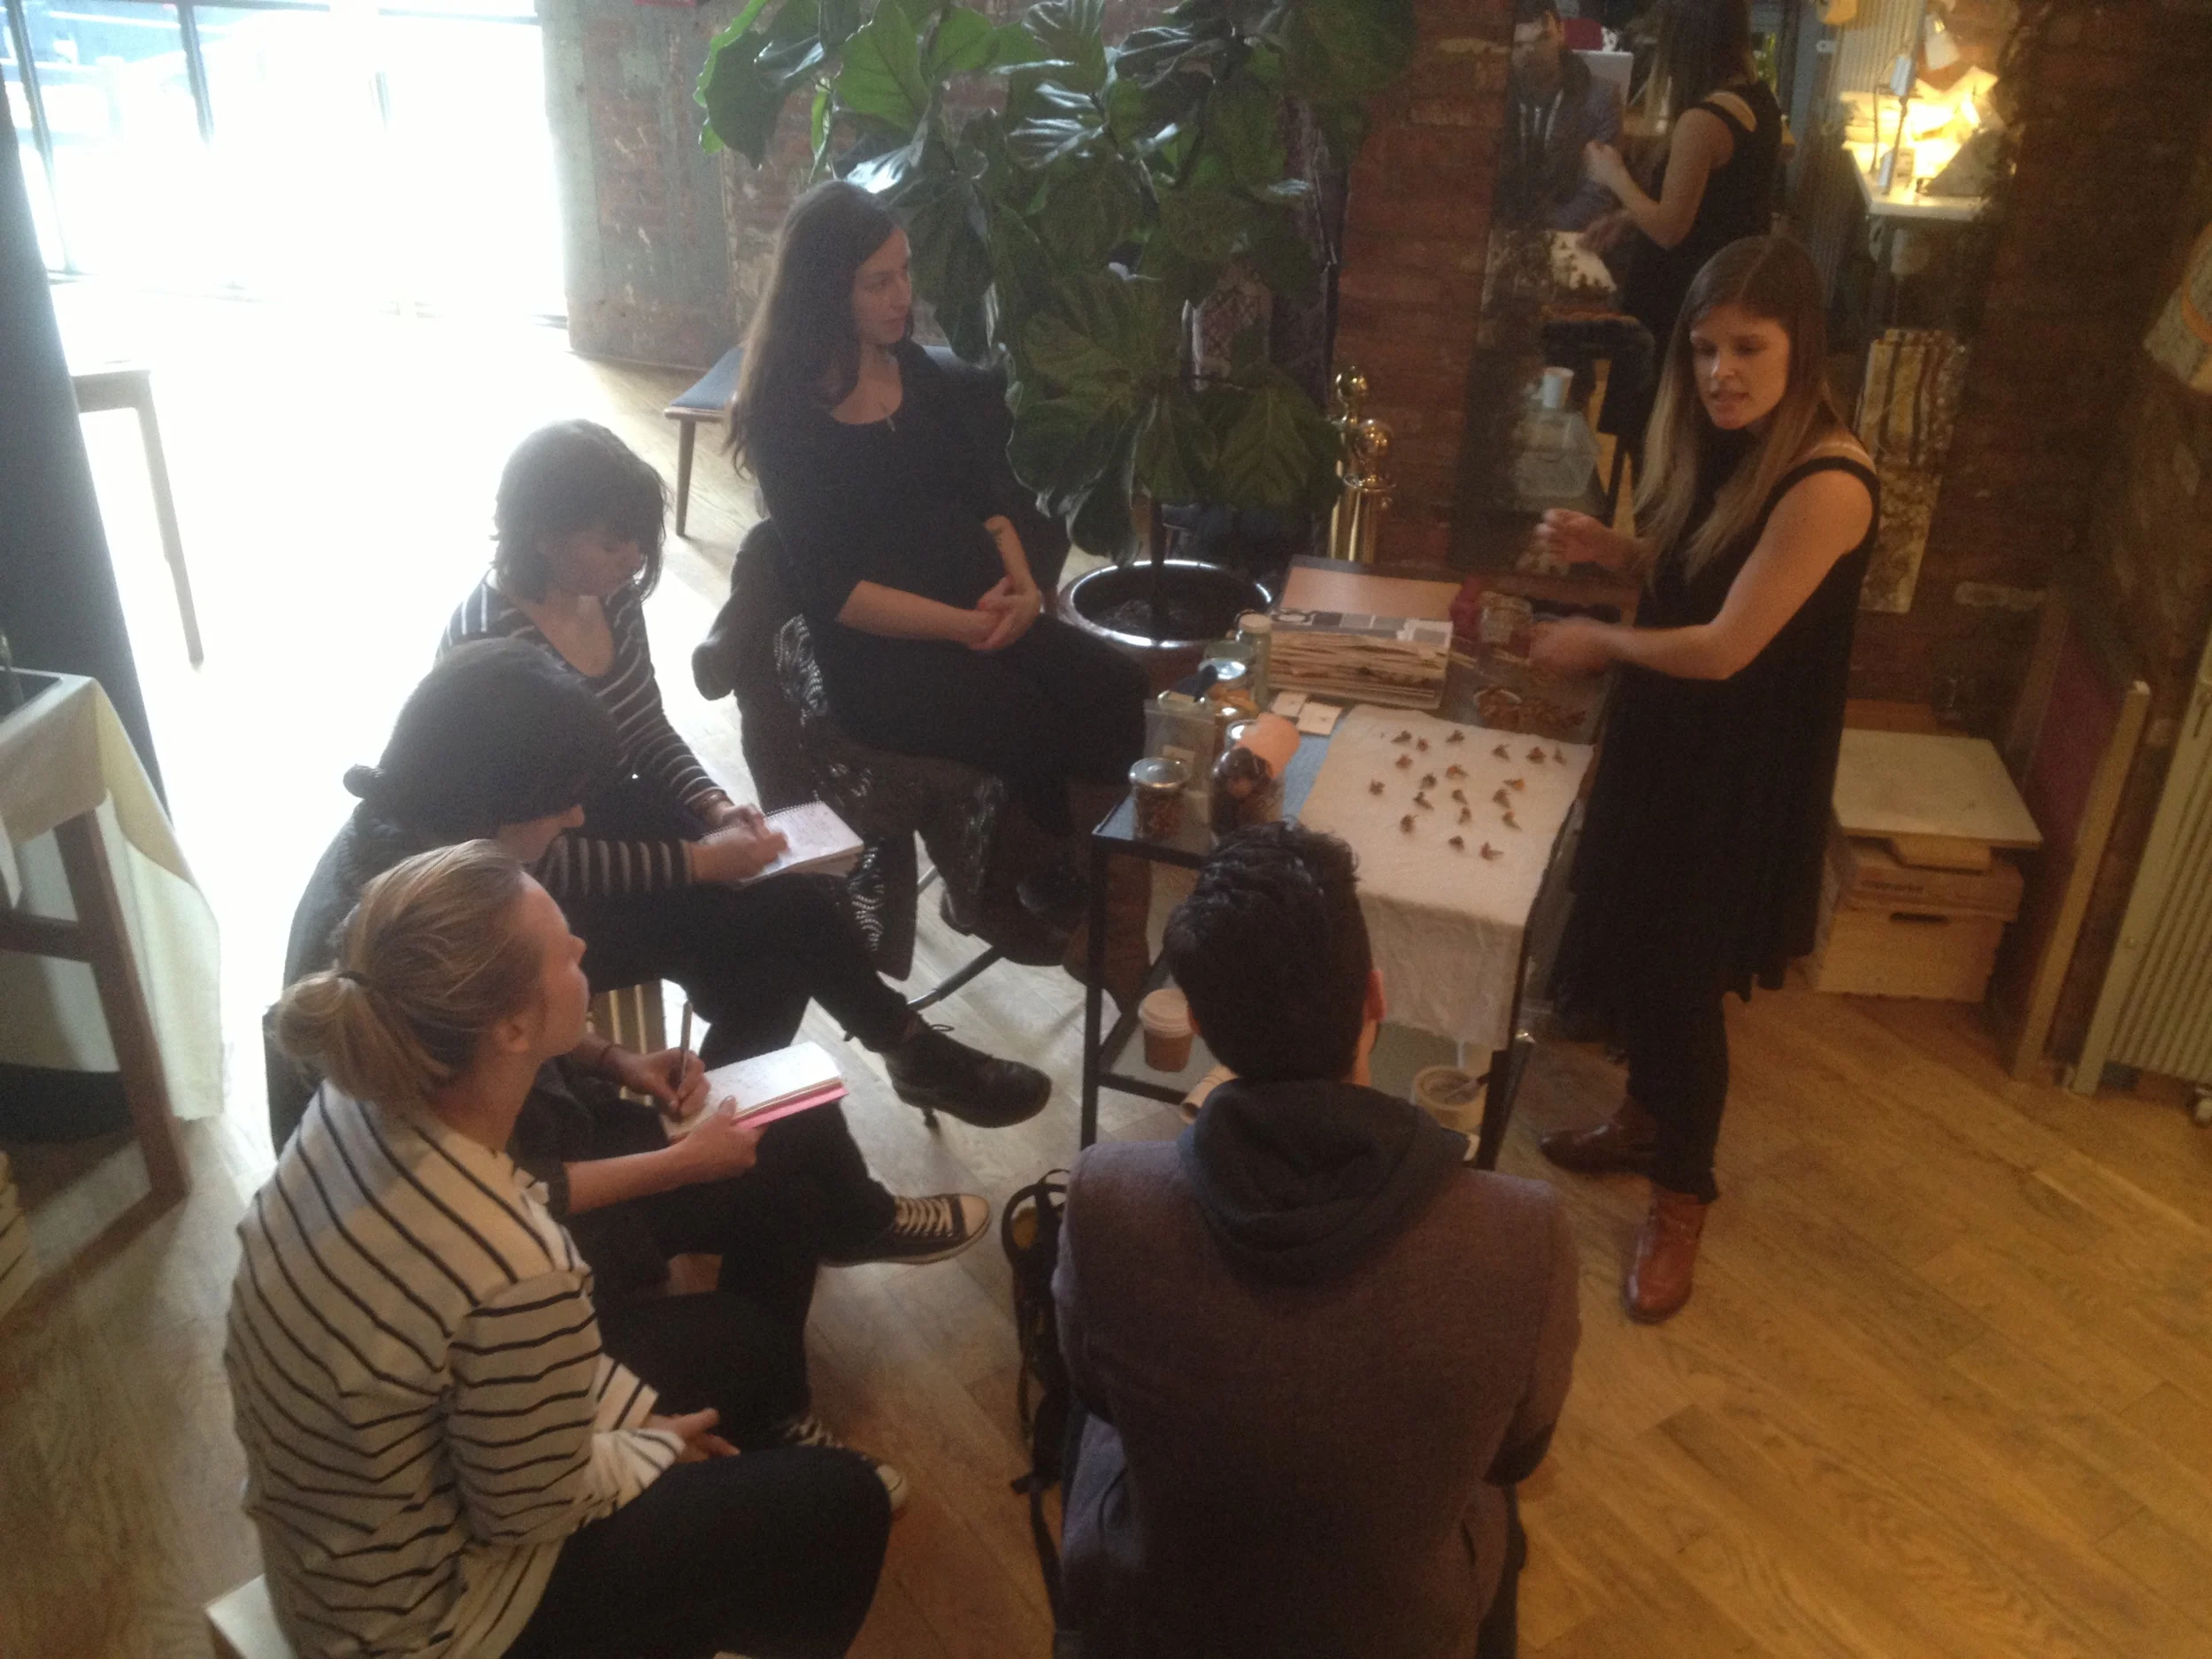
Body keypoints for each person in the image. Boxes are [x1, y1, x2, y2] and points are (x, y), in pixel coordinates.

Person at [268, 639, 996, 1499]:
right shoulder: (408, 916)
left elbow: (500, 1020)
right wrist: (674, 1165)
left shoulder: (428, 866)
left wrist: (616, 1056)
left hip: (524, 1148)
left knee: (785, 1142)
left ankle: (783, 1370)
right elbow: (488, 1196)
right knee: (759, 1253)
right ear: (500, 799)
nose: (578, 819)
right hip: (487, 1237)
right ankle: (759, 1401)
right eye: (566, 801)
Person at [228, 841, 891, 1659]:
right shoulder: (512, 1259)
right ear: (509, 1027)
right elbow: (527, 1510)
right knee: (847, 1502)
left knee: (749, 1347)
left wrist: (630, 1425)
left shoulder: (357, 1100)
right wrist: (652, 1449)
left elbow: (475, 1385)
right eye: (562, 944)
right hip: (436, 1622)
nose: (582, 947)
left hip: (339, 1547)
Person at [1052, 823, 1582, 1659]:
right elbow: (1518, 1454)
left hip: (1161, 1618)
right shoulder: (1523, 1234)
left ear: (1201, 1027)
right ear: (1375, 999)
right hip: (1402, 1631)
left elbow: (1097, 1395)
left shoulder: (1105, 1197)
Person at [442, 419, 1049, 1127]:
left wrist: (713, 806)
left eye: (640, 537)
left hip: (614, 822)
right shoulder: (492, 649)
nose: (634, 557)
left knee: (788, 907)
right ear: (542, 533)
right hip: (540, 897)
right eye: (614, 541)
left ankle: (747, 1113)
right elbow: (533, 864)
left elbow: (645, 727)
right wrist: (696, 865)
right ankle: (743, 1118)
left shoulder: (606, 592)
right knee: (773, 951)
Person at [1528, 235, 1878, 1322]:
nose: (1720, 371)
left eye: (1748, 348)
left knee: (1682, 988)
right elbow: (1693, 564)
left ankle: (1682, 1199)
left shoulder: (1829, 482)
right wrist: (1612, 550)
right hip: (1671, 740)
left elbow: (1727, 644)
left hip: (1735, 768)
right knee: (1636, 933)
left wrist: (1600, 642)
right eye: (1704, 348)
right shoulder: (1730, 443)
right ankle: (1643, 1118)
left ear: (1799, 348)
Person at [727, 180, 1153, 1008]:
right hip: (882, 655)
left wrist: (1027, 587)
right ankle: (1015, 882)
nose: (903, 297)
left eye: (905, 272)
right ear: (827, 291)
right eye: (878, 282)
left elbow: (981, 492)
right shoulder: (785, 418)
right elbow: (838, 593)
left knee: (1112, 688)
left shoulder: (911, 367)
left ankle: (1104, 917)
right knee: (1025, 718)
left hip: (986, 605)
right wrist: (965, 624)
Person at [1580, 0, 1779, 455]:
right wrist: (1629, 217)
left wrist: (1616, 178)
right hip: (1727, 287)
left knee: (1657, 439)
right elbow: (1716, 204)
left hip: (1681, 298)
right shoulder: (1757, 99)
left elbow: (1672, 228)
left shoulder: (1701, 122)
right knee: (1692, 439)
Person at [1498, 0, 1624, 233]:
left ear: (1561, 33)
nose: (1532, 53)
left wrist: (1538, 234)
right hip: (1499, 231)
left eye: (1543, 38)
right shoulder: (1494, 96)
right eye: (1518, 45)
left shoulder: (1600, 98)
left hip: (1563, 236)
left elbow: (1598, 194)